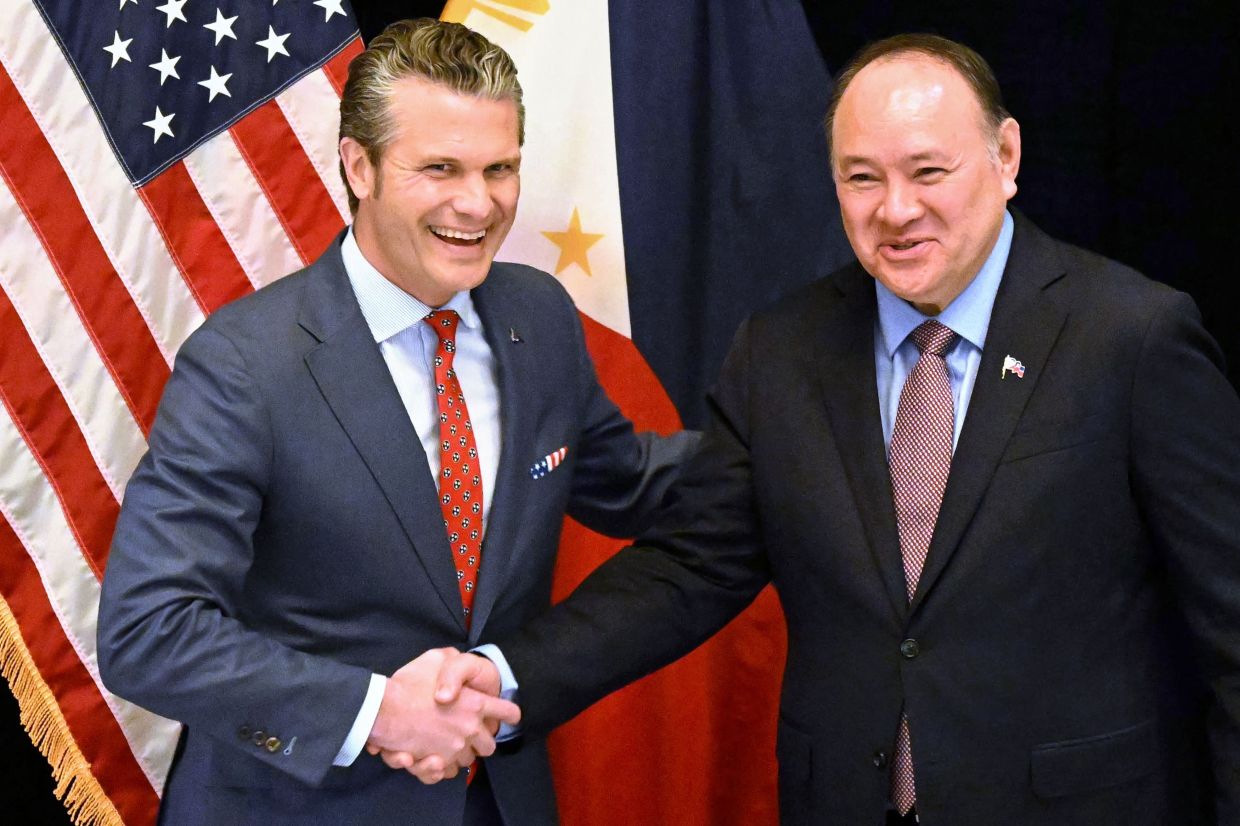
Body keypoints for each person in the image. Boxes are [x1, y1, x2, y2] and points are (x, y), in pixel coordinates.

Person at [422, 33, 1240, 824]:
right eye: (861, 178)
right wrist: (500, 680)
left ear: (1007, 157)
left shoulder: (1131, 338)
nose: (896, 209)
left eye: (929, 172)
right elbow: (691, 569)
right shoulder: (783, 350)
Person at [96, 18, 696, 826]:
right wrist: (375, 710)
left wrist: (825, 436)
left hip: (495, 804)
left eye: (500, 169)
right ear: (360, 166)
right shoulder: (244, 364)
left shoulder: (538, 316)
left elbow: (631, 483)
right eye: (440, 168)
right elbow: (148, 631)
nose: (477, 203)